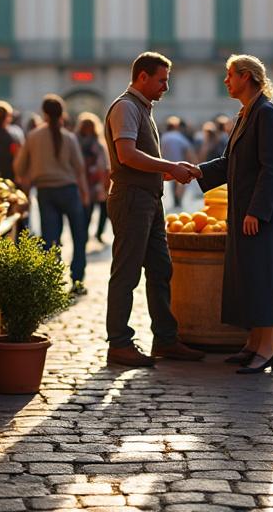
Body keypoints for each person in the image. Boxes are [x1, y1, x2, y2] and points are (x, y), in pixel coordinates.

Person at [198, 55, 273, 373]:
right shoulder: (247, 113)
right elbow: (230, 163)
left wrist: (257, 210)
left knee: (264, 278)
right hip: (247, 210)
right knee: (255, 277)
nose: (226, 80)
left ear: (246, 76)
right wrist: (193, 172)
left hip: (263, 213)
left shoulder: (267, 114)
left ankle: (267, 348)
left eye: (229, 75)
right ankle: (261, 343)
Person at [104, 52, 205, 367]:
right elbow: (127, 155)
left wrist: (170, 171)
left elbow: (139, 159)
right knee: (127, 272)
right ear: (142, 77)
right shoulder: (126, 107)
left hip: (148, 199)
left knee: (161, 269)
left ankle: (165, 338)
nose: (165, 87)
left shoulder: (142, 109)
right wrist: (170, 167)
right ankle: (119, 343)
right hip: (132, 199)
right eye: (161, 80)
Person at [15, 95, 90, 292]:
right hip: (69, 190)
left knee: (50, 239)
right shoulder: (69, 137)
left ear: (44, 113)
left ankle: (51, 282)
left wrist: (26, 186)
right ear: (62, 113)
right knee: (79, 236)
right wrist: (84, 193)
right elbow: (79, 168)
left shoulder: (33, 136)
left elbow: (19, 167)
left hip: (45, 192)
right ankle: (78, 280)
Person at [77, 113, 111, 245]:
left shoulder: (77, 141)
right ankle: (97, 233)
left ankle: (88, 234)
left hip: (88, 182)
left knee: (90, 210)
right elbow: (104, 164)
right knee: (99, 209)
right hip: (96, 182)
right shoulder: (97, 143)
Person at [160, 116, 195, 210]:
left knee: (171, 184)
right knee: (179, 183)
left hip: (166, 163)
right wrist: (193, 164)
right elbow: (188, 150)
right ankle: (178, 200)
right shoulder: (179, 137)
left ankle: (175, 200)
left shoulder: (164, 137)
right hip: (178, 164)